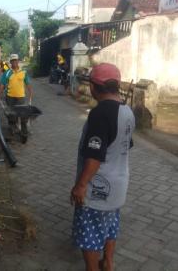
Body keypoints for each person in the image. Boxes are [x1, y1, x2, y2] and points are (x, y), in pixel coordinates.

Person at [70, 63, 135, 271]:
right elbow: (125, 143)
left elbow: (95, 156)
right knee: (109, 225)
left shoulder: (100, 113)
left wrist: (81, 185)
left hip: (98, 188)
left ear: (94, 87)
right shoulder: (127, 111)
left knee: (89, 235)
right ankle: (108, 262)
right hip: (119, 185)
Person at [0, 54, 33, 137]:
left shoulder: (24, 72)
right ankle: (12, 128)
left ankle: (24, 132)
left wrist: (31, 93)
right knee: (11, 114)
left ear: (18, 61)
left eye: (16, 60)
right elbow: (2, 85)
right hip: (10, 97)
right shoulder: (7, 73)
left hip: (21, 98)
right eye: (13, 61)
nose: (14, 62)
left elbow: (28, 83)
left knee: (23, 115)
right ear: (11, 62)